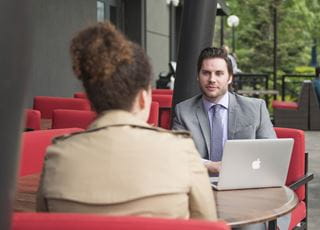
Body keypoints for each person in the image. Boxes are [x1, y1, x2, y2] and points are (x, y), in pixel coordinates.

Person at [36, 22, 217, 220]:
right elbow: (207, 223)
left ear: (91, 99)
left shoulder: (57, 156)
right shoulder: (181, 151)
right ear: (143, 98)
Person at [172, 47, 290, 229]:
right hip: (200, 192)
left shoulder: (255, 109)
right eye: (206, 73)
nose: (212, 79)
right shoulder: (183, 111)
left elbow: (271, 159)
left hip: (247, 193)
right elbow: (177, 156)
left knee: (252, 227)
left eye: (219, 73)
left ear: (229, 77)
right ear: (198, 76)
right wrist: (209, 165)